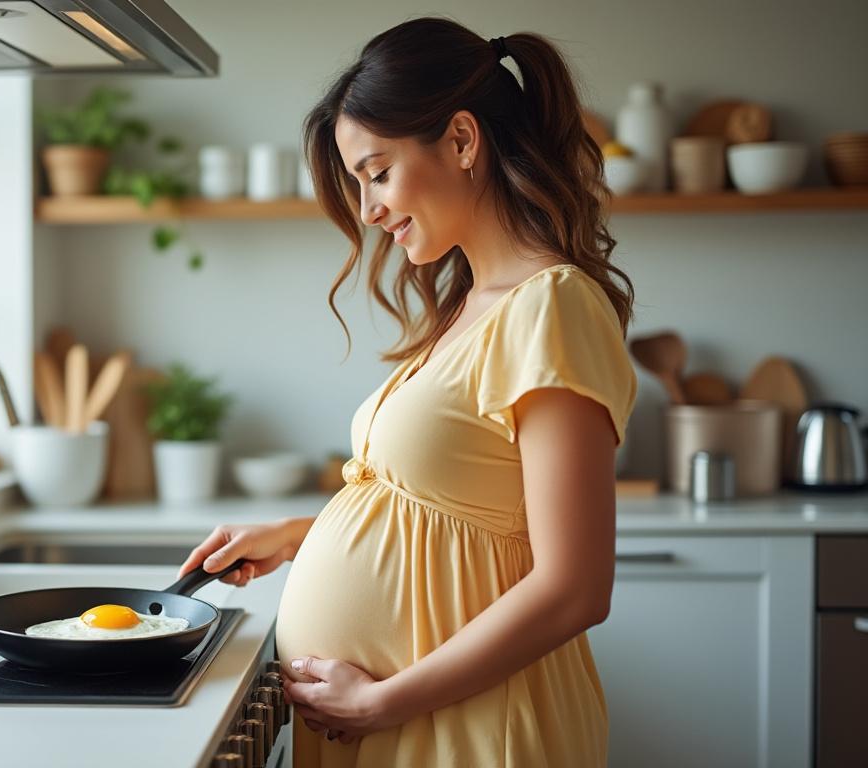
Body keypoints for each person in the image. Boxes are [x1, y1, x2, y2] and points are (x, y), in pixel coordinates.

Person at [178, 17, 638, 767]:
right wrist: (302, 535)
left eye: (377, 172)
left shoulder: (551, 305)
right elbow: (447, 506)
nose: (367, 210)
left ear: (461, 141)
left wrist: (384, 699)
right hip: (407, 720)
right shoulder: (467, 305)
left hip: (473, 726)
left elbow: (575, 586)